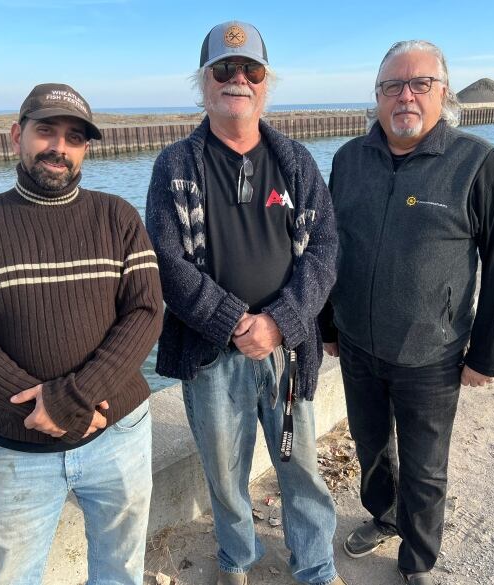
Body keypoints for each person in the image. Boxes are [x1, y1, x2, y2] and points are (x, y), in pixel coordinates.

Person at [0, 83, 163, 585]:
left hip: (118, 430)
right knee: (8, 577)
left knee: (122, 568)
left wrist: (75, 398)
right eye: (46, 131)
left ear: (85, 149)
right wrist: (39, 411)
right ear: (17, 135)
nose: (59, 147)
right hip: (17, 444)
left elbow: (145, 312)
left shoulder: (117, 216)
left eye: (74, 137)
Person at [145, 21, 346, 585]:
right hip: (212, 356)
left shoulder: (297, 163)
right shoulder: (175, 166)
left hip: (286, 351)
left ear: (266, 83)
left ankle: (316, 565)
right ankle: (236, 559)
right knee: (225, 475)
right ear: (203, 83)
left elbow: (325, 251)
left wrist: (280, 323)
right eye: (224, 70)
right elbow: (166, 260)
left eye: (250, 70)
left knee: (301, 468)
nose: (238, 79)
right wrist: (234, 321)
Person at [319, 41, 494, 585]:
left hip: (431, 353)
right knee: (370, 448)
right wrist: (327, 326)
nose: (404, 96)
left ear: (443, 92)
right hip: (358, 343)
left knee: (426, 469)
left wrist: (486, 354)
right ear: (377, 96)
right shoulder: (348, 160)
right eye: (392, 86)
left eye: (419, 84)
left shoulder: (476, 163)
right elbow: (328, 248)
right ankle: (384, 516)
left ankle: (417, 559)